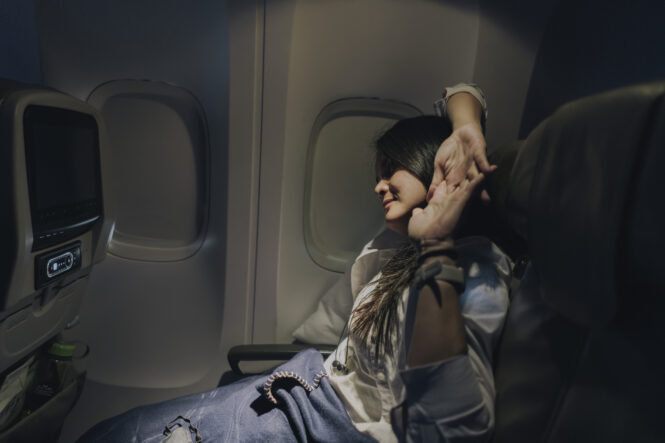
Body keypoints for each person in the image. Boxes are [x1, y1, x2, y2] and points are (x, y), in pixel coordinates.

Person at [78, 85, 510, 443]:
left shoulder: (476, 276)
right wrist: (467, 127)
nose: (378, 186)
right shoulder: (397, 248)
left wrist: (436, 247)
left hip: (329, 424)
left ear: (435, 164)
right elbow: (462, 92)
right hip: (309, 387)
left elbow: (455, 427)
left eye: (391, 169)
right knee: (111, 433)